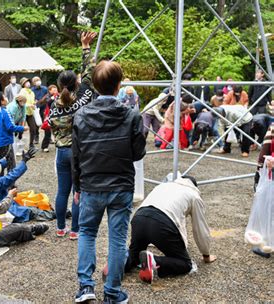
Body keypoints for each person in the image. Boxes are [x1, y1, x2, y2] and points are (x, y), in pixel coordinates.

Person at [72, 58, 146, 304]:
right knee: (116, 239)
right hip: (121, 185)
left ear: (94, 85)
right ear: (119, 85)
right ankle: (113, 293)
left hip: (91, 184)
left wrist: (77, 186)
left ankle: (86, 287)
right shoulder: (132, 116)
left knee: (87, 233)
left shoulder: (81, 115)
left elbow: (76, 155)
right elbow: (137, 154)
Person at [48, 32, 97, 241]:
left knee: (62, 191)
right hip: (79, 152)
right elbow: (90, 71)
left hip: (61, 152)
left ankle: (60, 228)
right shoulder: (84, 96)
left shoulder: (53, 105)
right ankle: (75, 230)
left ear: (59, 86)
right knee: (79, 191)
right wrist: (85, 47)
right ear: (76, 84)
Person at [125, 176, 216, 283]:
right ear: (194, 186)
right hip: (162, 223)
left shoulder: (163, 186)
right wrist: (206, 254)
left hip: (139, 217)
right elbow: (200, 228)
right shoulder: (194, 195)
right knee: (185, 264)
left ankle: (119, 264)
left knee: (134, 255)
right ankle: (153, 261)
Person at [0, 92, 26, 173]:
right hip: (5, 142)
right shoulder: (5, 112)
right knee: (11, 165)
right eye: (5, 97)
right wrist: (22, 128)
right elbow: (10, 127)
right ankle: (11, 184)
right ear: (2, 101)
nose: (6, 98)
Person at [19, 77, 38, 148]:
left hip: (30, 113)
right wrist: (30, 105)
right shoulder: (22, 91)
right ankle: (18, 142)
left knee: (33, 128)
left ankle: (31, 144)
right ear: (23, 84)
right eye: (26, 82)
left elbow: (32, 102)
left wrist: (34, 103)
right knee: (21, 129)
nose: (28, 83)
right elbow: (21, 102)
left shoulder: (32, 92)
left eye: (28, 82)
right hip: (23, 113)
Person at [41, 85, 59, 152]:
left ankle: (58, 145)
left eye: (56, 90)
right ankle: (44, 146)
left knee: (57, 131)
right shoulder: (47, 96)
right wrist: (53, 97)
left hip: (56, 115)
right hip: (47, 115)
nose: (55, 91)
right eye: (53, 90)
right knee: (47, 132)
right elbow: (48, 102)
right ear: (49, 90)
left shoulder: (59, 95)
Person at [32, 76, 49, 143]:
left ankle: (48, 137)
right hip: (36, 108)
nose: (38, 81)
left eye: (38, 80)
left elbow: (48, 96)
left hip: (44, 108)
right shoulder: (32, 90)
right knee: (36, 123)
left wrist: (44, 99)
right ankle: (36, 137)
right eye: (36, 80)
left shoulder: (45, 88)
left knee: (46, 122)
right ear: (33, 83)